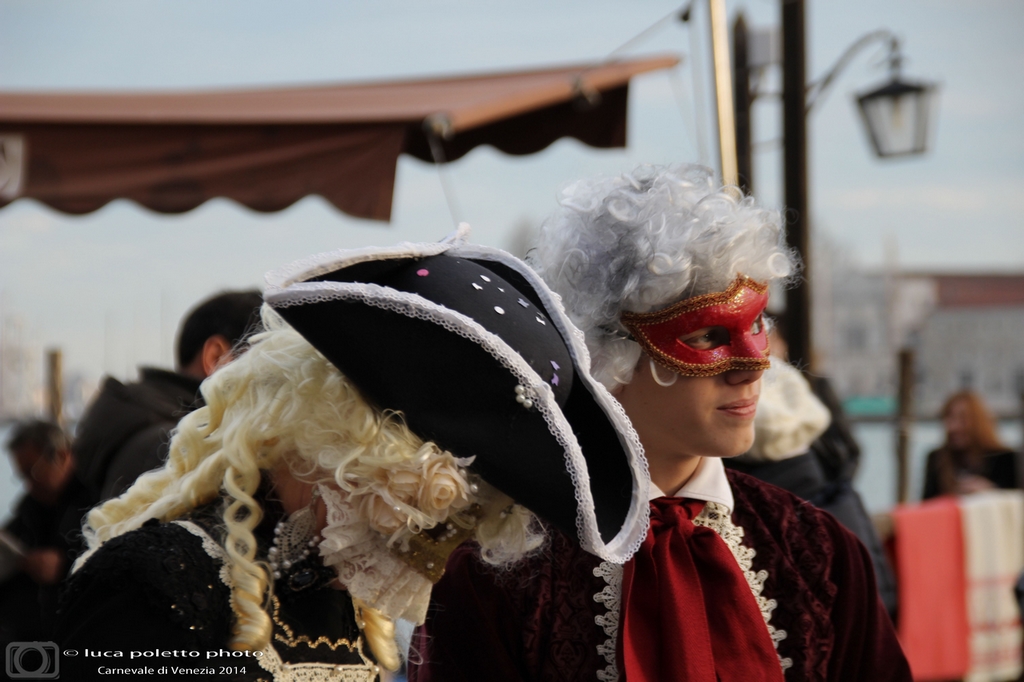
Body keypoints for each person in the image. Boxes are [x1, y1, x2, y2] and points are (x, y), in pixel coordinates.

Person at [54, 232, 648, 682]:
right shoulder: (161, 577)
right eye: (417, 506)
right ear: (329, 436)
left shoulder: (351, 610)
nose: (423, 540)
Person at [410, 165, 910, 681]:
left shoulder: (819, 552)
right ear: (607, 355)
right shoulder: (500, 572)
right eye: (706, 336)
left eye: (756, 323)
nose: (751, 368)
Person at [73, 289, 263, 503]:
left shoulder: (141, 421)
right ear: (216, 357)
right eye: (269, 364)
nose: (282, 387)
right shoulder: (174, 450)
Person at [0, 420, 90, 646]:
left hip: (75, 634)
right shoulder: (32, 505)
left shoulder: (96, 498)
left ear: (61, 456)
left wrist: (64, 565)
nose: (30, 484)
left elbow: (113, 556)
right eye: (23, 476)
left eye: (34, 472)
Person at [922, 390, 1019, 499]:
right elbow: (927, 505)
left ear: (978, 422)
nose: (952, 427)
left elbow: (1016, 503)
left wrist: (991, 491)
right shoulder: (937, 459)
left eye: (962, 419)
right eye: (948, 418)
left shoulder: (1007, 459)